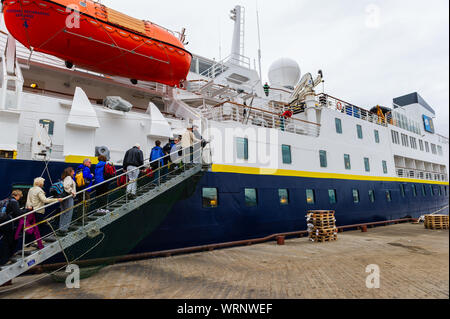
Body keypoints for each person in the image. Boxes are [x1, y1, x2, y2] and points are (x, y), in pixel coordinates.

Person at [16, 178, 62, 249]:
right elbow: (45, 200)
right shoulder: (39, 190)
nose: (43, 183)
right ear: (40, 183)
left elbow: (28, 200)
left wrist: (29, 207)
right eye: (43, 182)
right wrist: (56, 199)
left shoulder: (31, 189)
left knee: (32, 227)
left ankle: (28, 243)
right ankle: (41, 240)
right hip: (38, 211)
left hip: (31, 211)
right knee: (40, 227)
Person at [0, 191, 32, 265]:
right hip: (8, 225)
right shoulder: (14, 202)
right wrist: (28, 210)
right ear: (17, 195)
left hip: (2, 223)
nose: (20, 198)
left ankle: (5, 258)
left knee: (6, 240)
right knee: (10, 241)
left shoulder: (5, 200)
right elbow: (19, 213)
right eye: (20, 197)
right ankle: (5, 260)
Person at [59, 168, 76, 233]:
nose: (74, 173)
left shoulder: (64, 178)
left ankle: (61, 228)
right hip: (68, 197)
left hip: (64, 197)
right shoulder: (68, 178)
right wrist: (72, 192)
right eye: (73, 171)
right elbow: (66, 186)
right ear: (70, 172)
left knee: (63, 212)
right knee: (68, 212)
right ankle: (64, 228)